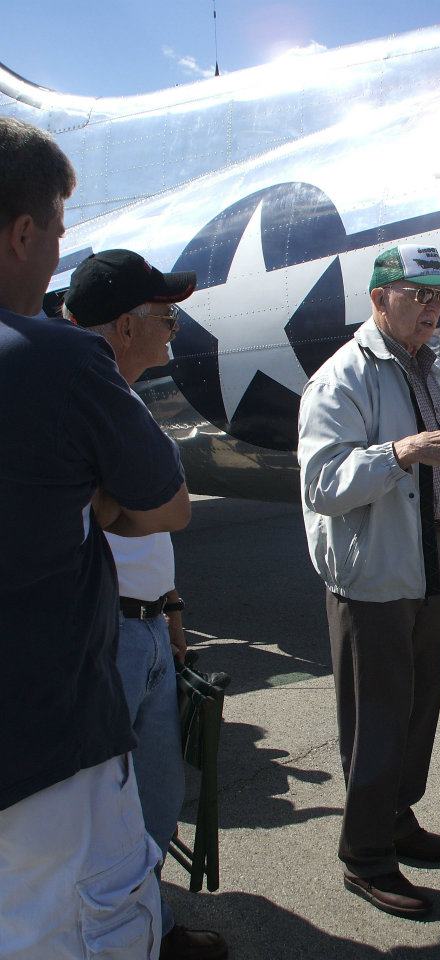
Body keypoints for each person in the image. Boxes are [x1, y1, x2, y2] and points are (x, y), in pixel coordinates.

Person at [0, 118, 190, 958]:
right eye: (57, 234)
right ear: (24, 231)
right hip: (46, 744)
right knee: (87, 928)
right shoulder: (60, 360)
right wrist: (101, 501)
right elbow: (165, 501)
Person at [298, 244, 440, 918]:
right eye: (420, 295)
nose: (435, 309)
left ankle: (396, 819)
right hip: (374, 577)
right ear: (380, 299)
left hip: (428, 566)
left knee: (416, 713)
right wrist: (403, 450)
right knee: (378, 721)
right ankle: (366, 856)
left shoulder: (431, 370)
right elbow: (322, 485)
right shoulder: (342, 378)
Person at [63, 250, 228, 960]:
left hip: (150, 629)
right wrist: (139, 507)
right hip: (103, 640)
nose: (173, 327)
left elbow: (157, 517)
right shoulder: (78, 394)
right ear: (125, 325)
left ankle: (149, 923)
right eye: (164, 315)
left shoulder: (122, 394)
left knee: (155, 807)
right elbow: (169, 507)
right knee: (97, 818)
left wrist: (172, 610)